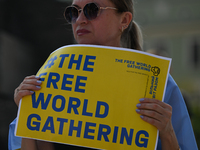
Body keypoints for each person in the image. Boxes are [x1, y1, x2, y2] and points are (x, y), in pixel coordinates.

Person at [9, 0, 198, 150]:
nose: (81, 19)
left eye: (92, 10)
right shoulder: (50, 78)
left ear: (124, 20)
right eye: (73, 12)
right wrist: (26, 113)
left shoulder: (158, 83)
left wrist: (167, 133)